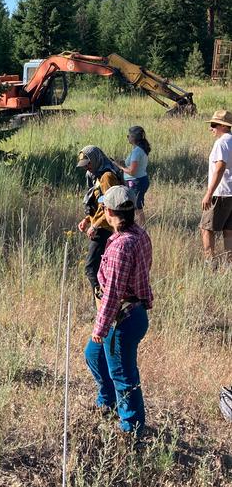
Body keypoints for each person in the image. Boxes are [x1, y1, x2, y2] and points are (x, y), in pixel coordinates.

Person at [84, 185, 153, 436]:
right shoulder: (139, 235)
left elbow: (113, 292)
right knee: (94, 355)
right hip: (134, 314)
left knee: (123, 375)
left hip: (121, 318)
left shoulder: (120, 247)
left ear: (110, 211)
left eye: (104, 207)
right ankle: (108, 401)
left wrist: (100, 328)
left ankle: (131, 430)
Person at [76, 146, 123, 298]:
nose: (86, 168)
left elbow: (110, 205)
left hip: (106, 227)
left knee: (91, 267)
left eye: (88, 164)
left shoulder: (107, 177)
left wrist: (95, 225)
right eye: (84, 166)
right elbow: (98, 204)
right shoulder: (97, 175)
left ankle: (102, 301)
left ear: (95, 160)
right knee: (101, 268)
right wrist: (87, 220)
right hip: (100, 226)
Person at [200, 109, 232, 266]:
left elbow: (220, 168)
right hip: (230, 193)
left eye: (214, 125)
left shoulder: (222, 142)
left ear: (224, 126)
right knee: (229, 230)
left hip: (221, 192)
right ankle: (229, 262)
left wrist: (209, 193)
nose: (210, 128)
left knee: (207, 228)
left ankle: (210, 262)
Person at [121, 126, 150, 224]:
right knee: (136, 206)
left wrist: (119, 166)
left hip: (136, 181)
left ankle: (141, 228)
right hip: (139, 180)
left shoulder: (137, 151)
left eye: (129, 135)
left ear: (134, 137)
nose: (127, 137)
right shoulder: (138, 150)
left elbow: (132, 171)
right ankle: (139, 227)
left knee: (137, 207)